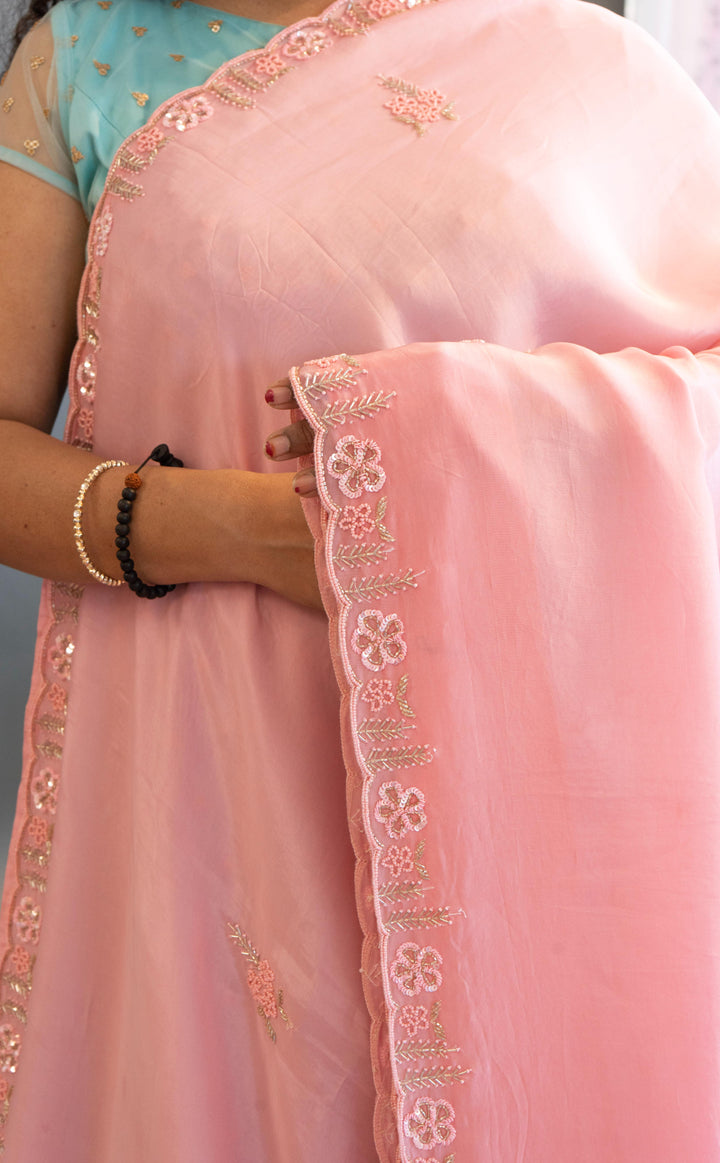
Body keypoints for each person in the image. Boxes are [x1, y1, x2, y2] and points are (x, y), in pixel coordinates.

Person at [2, 0, 720, 1158]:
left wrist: (430, 453)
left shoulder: (575, 60)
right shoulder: (86, 57)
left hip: (518, 786)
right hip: (212, 780)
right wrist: (232, 527)